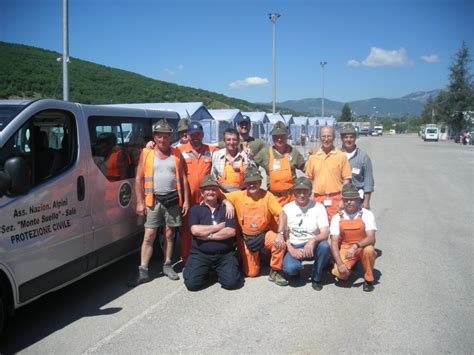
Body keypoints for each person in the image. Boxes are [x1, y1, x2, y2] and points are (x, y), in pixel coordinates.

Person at [128, 119, 190, 287]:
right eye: (159, 137)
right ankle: (143, 270)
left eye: (166, 136)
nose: (163, 140)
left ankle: (168, 264)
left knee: (170, 234)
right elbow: (139, 178)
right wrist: (140, 202)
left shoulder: (176, 154)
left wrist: (185, 201)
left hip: (172, 199)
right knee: (149, 235)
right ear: (154, 137)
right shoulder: (146, 153)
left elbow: (183, 178)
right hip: (153, 200)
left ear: (171, 137)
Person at [225, 167, 289, 286]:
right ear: (245, 183)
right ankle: (253, 256)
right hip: (246, 238)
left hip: (264, 235)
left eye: (255, 182)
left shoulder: (267, 196)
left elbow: (282, 214)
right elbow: (220, 196)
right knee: (252, 273)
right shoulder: (238, 195)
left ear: (260, 182)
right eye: (249, 182)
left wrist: (280, 235)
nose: (252, 185)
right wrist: (227, 203)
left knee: (279, 243)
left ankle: (275, 271)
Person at [183, 175, 240, 291]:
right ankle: (200, 269)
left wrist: (209, 235)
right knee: (192, 285)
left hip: (224, 254)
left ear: (218, 192)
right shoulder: (195, 210)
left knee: (231, 284)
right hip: (201, 254)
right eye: (207, 189)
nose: (211, 192)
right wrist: (219, 226)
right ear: (202, 192)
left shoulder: (227, 209)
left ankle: (220, 270)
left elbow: (230, 232)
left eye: (213, 189)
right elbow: (195, 230)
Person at [177, 121, 218, 263]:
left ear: (203, 135)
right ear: (187, 135)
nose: (196, 137)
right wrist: (150, 145)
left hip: (205, 199)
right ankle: (186, 259)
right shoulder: (179, 150)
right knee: (187, 231)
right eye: (192, 135)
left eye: (198, 134)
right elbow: (162, 151)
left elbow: (229, 149)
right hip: (187, 200)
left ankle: (205, 258)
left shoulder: (212, 150)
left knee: (206, 229)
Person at [282, 177, 331, 291]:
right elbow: (284, 234)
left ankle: (316, 277)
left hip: (313, 245)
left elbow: (325, 233)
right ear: (294, 192)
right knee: (290, 268)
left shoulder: (318, 207)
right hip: (295, 244)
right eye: (298, 191)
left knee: (324, 246)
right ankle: (296, 270)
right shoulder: (287, 208)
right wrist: (291, 249)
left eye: (305, 191)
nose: (302, 195)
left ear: (310, 192)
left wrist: (312, 241)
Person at [329, 183, 377, 292]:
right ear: (342, 200)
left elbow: (371, 238)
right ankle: (349, 268)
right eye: (346, 199)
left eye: (352, 199)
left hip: (362, 246)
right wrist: (340, 264)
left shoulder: (367, 214)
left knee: (369, 251)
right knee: (341, 275)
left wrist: (356, 246)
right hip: (346, 247)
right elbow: (334, 243)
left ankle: (368, 279)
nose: (349, 202)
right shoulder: (337, 217)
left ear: (357, 199)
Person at [305, 126, 352, 221]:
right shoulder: (313, 157)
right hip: (317, 200)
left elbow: (347, 179)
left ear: (334, 137)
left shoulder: (341, 156)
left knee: (336, 230)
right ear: (319, 138)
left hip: (336, 199)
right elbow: (308, 179)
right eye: (323, 136)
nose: (326, 139)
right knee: (318, 229)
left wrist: (342, 200)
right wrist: (310, 198)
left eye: (329, 136)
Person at [254, 121, 305, 206]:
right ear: (272, 137)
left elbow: (307, 169)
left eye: (282, 136)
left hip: (292, 198)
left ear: (287, 136)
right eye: (276, 136)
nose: (279, 139)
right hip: (273, 199)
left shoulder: (293, 152)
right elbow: (252, 166)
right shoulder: (265, 153)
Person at [340, 124, 375, 209]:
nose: (349, 140)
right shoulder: (336, 155)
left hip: (357, 200)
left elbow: (368, 181)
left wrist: (367, 201)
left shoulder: (363, 157)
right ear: (341, 139)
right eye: (346, 137)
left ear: (355, 138)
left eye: (351, 137)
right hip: (340, 199)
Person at [211, 128, 254, 193]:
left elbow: (252, 175)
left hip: (242, 194)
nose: (231, 142)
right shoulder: (217, 155)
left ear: (238, 141)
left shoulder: (245, 155)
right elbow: (213, 176)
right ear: (224, 141)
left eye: (234, 140)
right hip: (222, 194)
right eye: (228, 140)